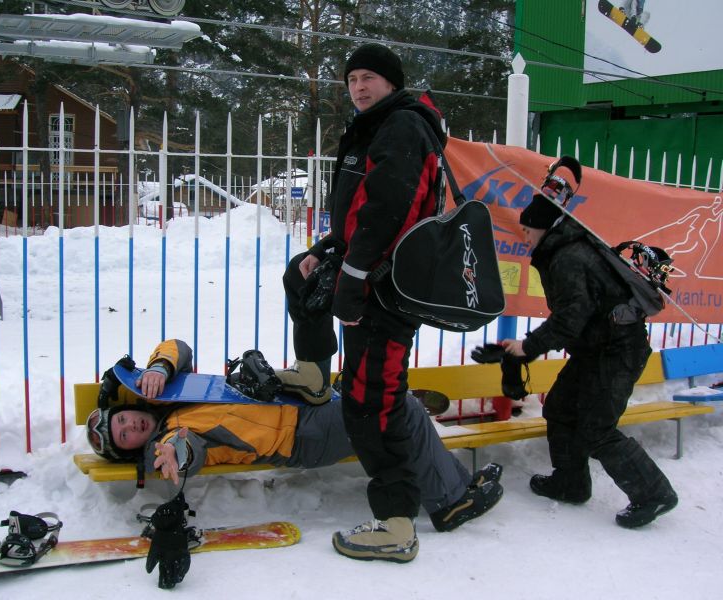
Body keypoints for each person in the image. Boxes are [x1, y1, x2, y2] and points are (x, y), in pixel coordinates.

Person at [275, 43, 501, 563]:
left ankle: (397, 524)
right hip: (368, 277)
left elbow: (386, 212)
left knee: (371, 403)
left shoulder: (401, 126)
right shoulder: (374, 126)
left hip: (385, 291)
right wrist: (326, 252)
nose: (358, 87)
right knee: (301, 280)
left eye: (369, 78)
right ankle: (313, 374)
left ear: (391, 83)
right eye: (352, 78)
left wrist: (353, 277)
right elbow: (358, 211)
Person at [85, 339, 503, 543]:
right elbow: (187, 451)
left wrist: (160, 365)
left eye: (123, 419)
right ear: (130, 448)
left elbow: (179, 346)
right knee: (397, 409)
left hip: (302, 403)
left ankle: (441, 467)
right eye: (124, 436)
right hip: (302, 436)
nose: (130, 426)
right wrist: (174, 452)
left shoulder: (174, 394)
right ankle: (451, 502)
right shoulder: (171, 437)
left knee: (383, 399)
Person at [502, 193, 678, 529]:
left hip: (617, 352)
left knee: (597, 428)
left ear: (544, 228)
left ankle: (653, 493)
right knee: (561, 408)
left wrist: (528, 346)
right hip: (595, 349)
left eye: (528, 230)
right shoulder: (566, 248)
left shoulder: (568, 257)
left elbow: (571, 317)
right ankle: (570, 482)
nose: (525, 237)